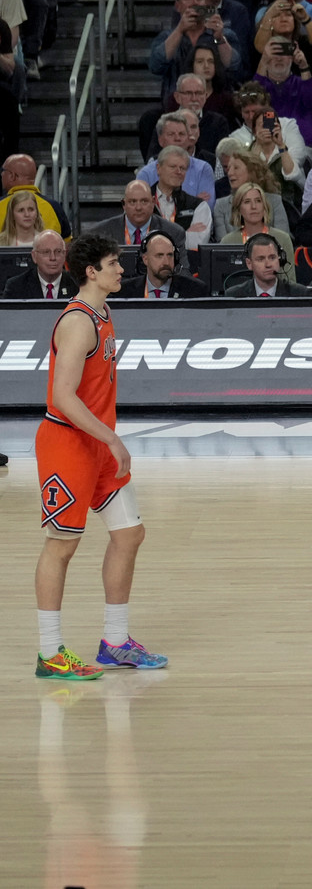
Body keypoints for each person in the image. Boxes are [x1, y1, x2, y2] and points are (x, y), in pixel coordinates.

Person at [33, 234, 167, 679]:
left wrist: (106, 439)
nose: (121, 269)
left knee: (129, 534)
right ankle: (50, 652)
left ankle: (115, 642)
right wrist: (111, 438)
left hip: (97, 442)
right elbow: (63, 396)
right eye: (113, 263)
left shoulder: (103, 312)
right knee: (62, 545)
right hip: (68, 445)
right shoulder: (78, 322)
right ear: (91, 271)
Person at [117, 234, 208, 299]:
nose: (166, 262)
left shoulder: (195, 290)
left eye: (170, 255)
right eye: (159, 256)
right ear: (145, 259)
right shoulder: (124, 291)